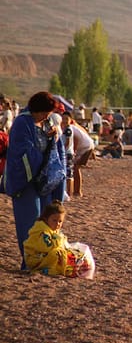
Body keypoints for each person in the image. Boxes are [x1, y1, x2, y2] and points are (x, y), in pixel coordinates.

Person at [4, 92, 67, 269]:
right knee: (30, 225)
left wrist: (53, 139)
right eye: (44, 112)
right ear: (36, 109)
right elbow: (21, 153)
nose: (47, 116)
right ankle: (29, 262)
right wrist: (45, 149)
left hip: (44, 181)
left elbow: (54, 148)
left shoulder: (46, 122)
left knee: (47, 222)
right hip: (26, 182)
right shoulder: (22, 123)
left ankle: (44, 260)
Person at [23, 200, 94, 278]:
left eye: (60, 221)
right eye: (54, 220)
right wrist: (59, 242)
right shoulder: (41, 231)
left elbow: (60, 241)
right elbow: (46, 247)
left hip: (46, 256)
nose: (57, 224)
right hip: (35, 259)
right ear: (46, 219)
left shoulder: (52, 229)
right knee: (58, 254)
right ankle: (46, 270)